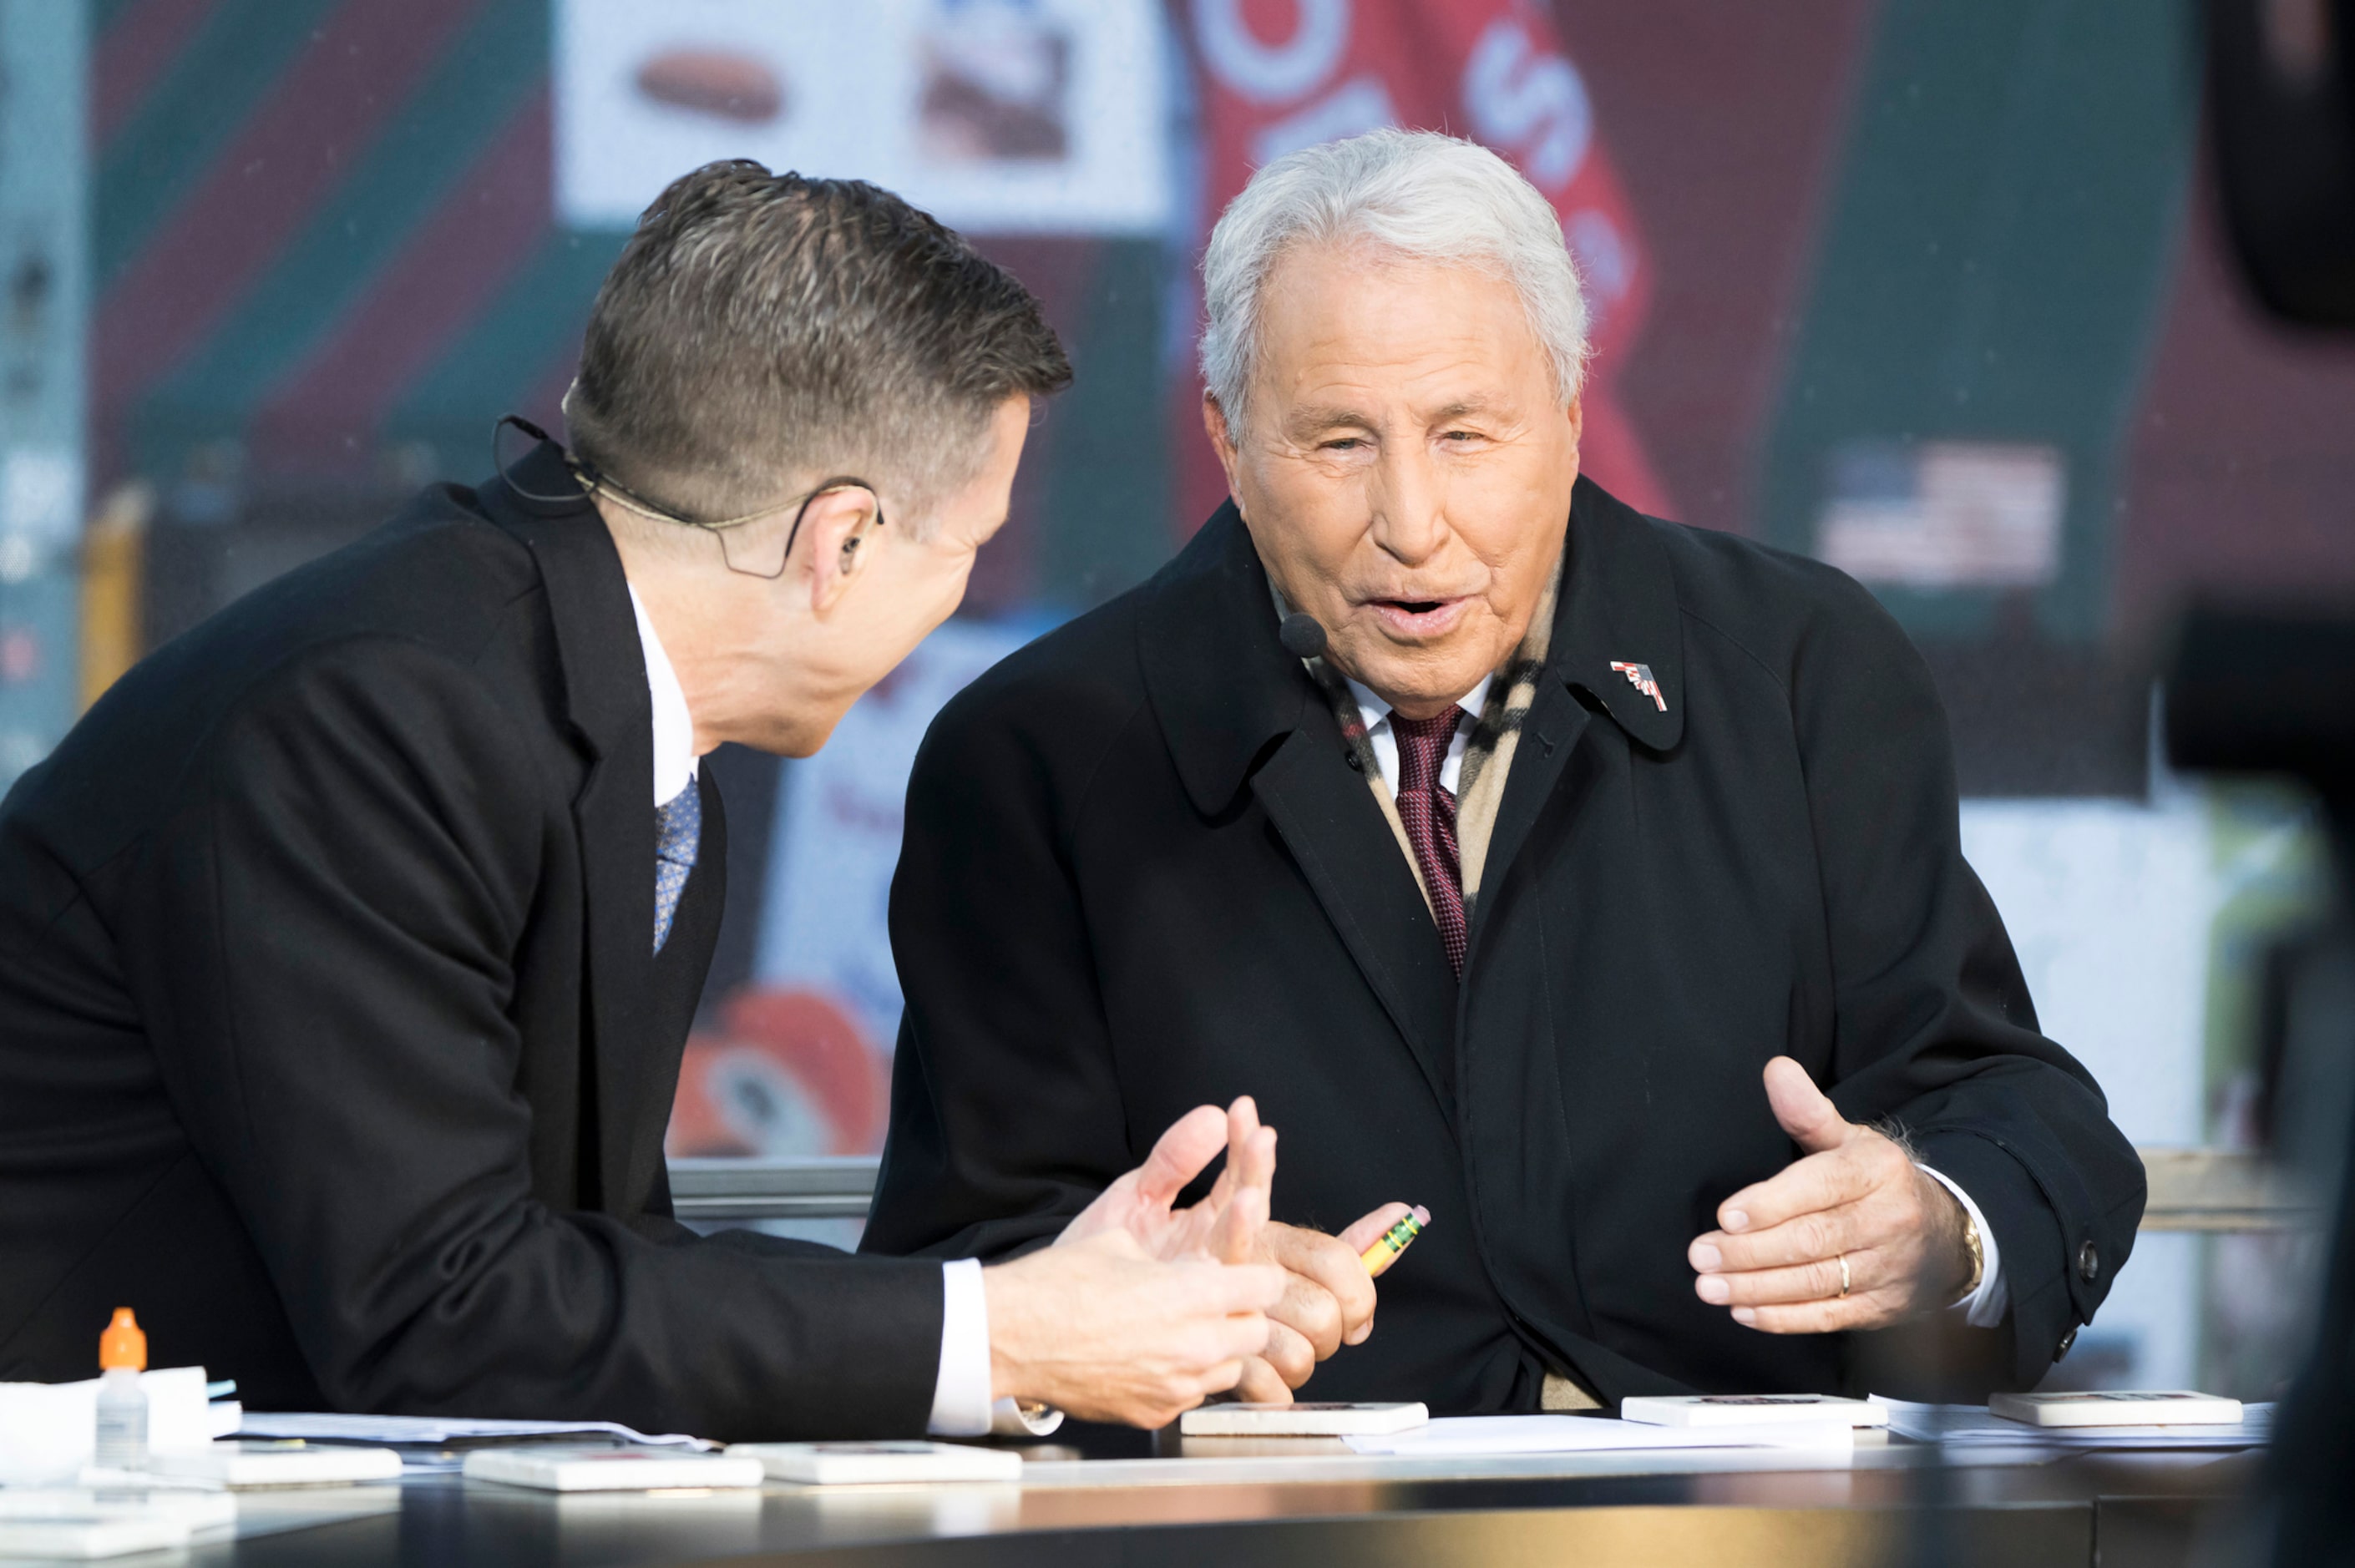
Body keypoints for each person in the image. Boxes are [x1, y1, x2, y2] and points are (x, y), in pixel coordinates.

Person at [0, 161, 1356, 1440]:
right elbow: (445, 1310)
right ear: (843, 542)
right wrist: (999, 1331)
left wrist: (1072, 1304)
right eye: (972, 551)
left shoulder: (606, 724)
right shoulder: (380, 717)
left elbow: (597, 1266)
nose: (965, 603)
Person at [864, 130, 2148, 1411]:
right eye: (1339, 445)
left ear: (1573, 413)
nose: (1413, 526)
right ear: (1229, 444)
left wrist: (1936, 1224)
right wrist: (1133, 1326)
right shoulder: (1035, 754)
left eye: (1467, 435)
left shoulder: (1805, 670)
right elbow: (972, 1272)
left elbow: (2013, 1111)